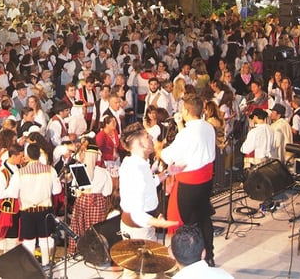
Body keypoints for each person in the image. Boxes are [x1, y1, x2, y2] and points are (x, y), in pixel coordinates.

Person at [160, 95, 216, 266]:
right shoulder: (208, 127)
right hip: (206, 179)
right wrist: (179, 125)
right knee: (204, 217)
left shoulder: (187, 134)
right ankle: (209, 255)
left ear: (185, 111)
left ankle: (187, 258)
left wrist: (159, 149)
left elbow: (169, 155)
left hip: (189, 183)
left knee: (186, 222)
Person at [119, 123, 178, 278]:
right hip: (140, 228)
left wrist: (166, 173)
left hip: (129, 225)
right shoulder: (137, 170)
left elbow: (149, 183)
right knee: (151, 272)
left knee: (131, 268)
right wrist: (158, 223)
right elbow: (137, 213)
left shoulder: (131, 162)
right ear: (140, 144)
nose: (151, 138)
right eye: (147, 136)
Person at [6, 142, 61, 268]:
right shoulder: (50, 170)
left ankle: (31, 267)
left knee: (29, 241)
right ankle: (47, 264)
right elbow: (57, 191)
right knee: (45, 239)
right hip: (45, 210)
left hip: (27, 211)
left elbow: (13, 194)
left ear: (27, 156)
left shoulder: (20, 173)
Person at [68, 144, 113, 254]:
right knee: (96, 229)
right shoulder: (103, 172)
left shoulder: (79, 170)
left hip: (82, 202)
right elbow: (108, 192)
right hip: (98, 203)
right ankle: (96, 252)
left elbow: (75, 192)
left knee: (79, 228)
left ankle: (78, 251)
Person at [0, 144, 23, 253]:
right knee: (9, 239)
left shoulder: (19, 167)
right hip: (7, 210)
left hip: (18, 208)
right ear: (13, 156)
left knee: (16, 238)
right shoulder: (2, 173)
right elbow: (0, 194)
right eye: (20, 156)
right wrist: (14, 190)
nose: (22, 159)